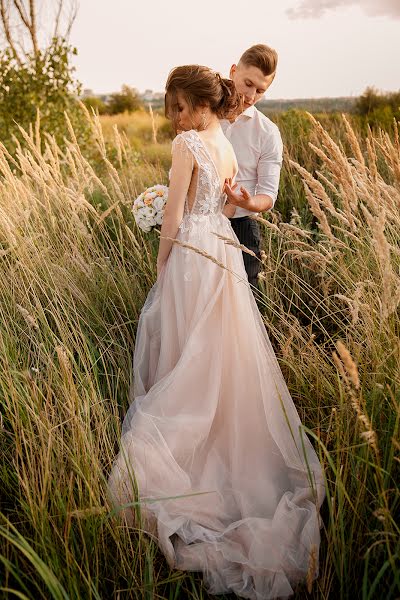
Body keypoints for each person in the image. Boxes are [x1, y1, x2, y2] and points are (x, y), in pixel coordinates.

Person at [107, 64, 325, 600]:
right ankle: (219, 436)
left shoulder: (187, 146)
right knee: (221, 359)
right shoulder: (222, 142)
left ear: (202, 104)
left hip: (192, 257)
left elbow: (177, 215)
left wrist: (161, 267)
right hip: (223, 252)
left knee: (187, 351)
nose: (176, 118)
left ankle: (189, 454)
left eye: (181, 107)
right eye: (173, 108)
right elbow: (228, 205)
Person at [221, 44, 283, 291]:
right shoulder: (202, 115)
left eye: (260, 90)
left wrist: (247, 203)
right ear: (233, 71)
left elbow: (268, 194)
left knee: (246, 300)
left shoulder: (268, 133)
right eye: (248, 84)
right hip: (195, 223)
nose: (251, 96)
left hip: (241, 228)